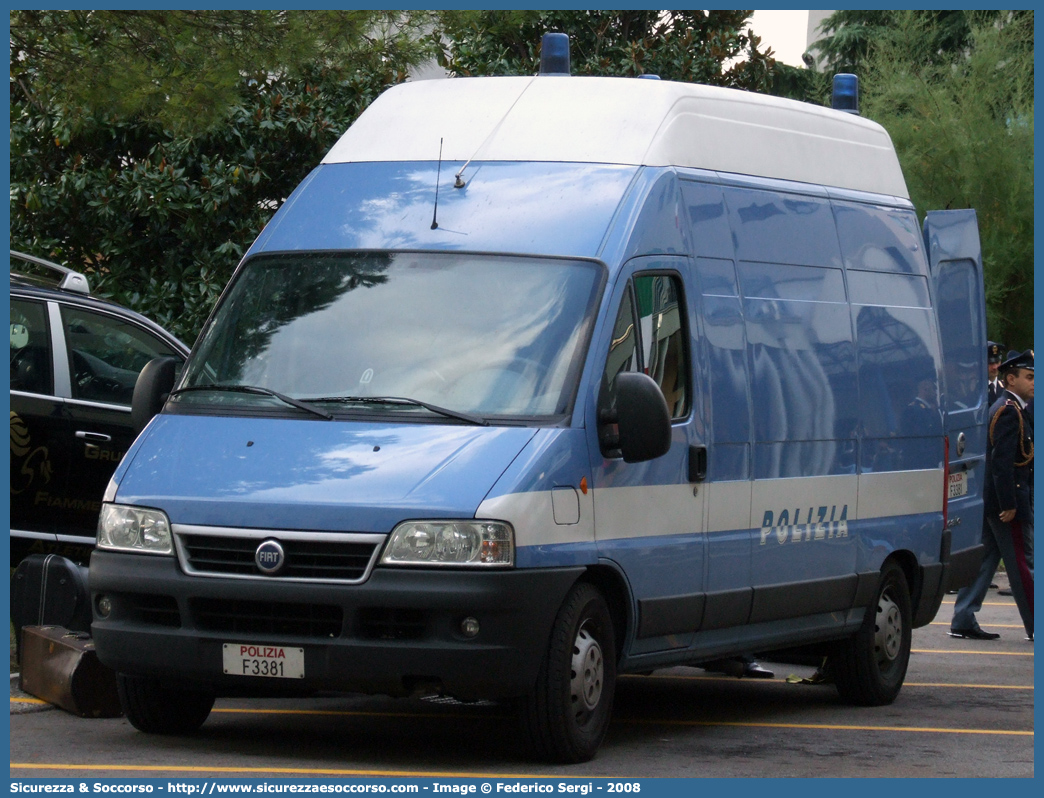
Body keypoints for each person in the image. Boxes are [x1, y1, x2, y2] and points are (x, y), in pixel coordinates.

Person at [950, 349, 1034, 641]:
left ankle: (962, 618)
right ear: (1010, 379)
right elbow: (1001, 463)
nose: (1035, 382)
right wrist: (1010, 504)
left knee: (985, 560)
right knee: (1024, 564)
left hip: (993, 500)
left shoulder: (1008, 407)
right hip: (1006, 502)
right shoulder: (1009, 410)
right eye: (1029, 377)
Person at [987, 341, 1005, 405]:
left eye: (997, 362)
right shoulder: (976, 389)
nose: (995, 367)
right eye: (990, 363)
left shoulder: (1006, 388)